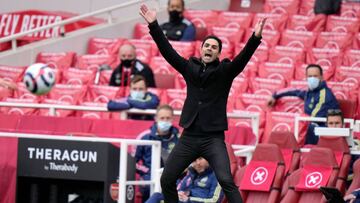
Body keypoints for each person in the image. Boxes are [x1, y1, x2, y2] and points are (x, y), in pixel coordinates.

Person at [139, 4, 266, 203]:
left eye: (214, 47)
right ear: (201, 49)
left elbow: (242, 59)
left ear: (218, 53)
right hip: (189, 137)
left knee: (226, 180)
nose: (210, 48)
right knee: (167, 179)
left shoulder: (225, 72)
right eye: (207, 45)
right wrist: (154, 25)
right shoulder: (189, 67)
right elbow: (168, 51)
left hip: (212, 139)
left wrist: (255, 38)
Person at [268, 64, 339, 145]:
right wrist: (275, 95)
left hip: (321, 129)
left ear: (321, 78)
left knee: (305, 126)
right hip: (309, 126)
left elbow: (312, 117)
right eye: (310, 76)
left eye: (315, 76)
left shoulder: (325, 95)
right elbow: (294, 91)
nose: (312, 78)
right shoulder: (311, 91)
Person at [135, 104, 180, 202]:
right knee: (147, 186)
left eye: (168, 118)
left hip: (172, 178)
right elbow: (133, 161)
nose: (165, 121)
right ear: (156, 118)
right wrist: (147, 171)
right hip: (149, 177)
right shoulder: (145, 137)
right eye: (162, 118)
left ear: (173, 119)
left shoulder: (179, 138)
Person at [146, 157, 224, 203]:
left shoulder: (218, 175)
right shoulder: (191, 172)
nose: (197, 163)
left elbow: (215, 200)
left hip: (193, 201)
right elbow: (180, 189)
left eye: (200, 159)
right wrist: (179, 193)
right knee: (157, 196)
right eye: (194, 160)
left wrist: (189, 199)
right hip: (183, 201)